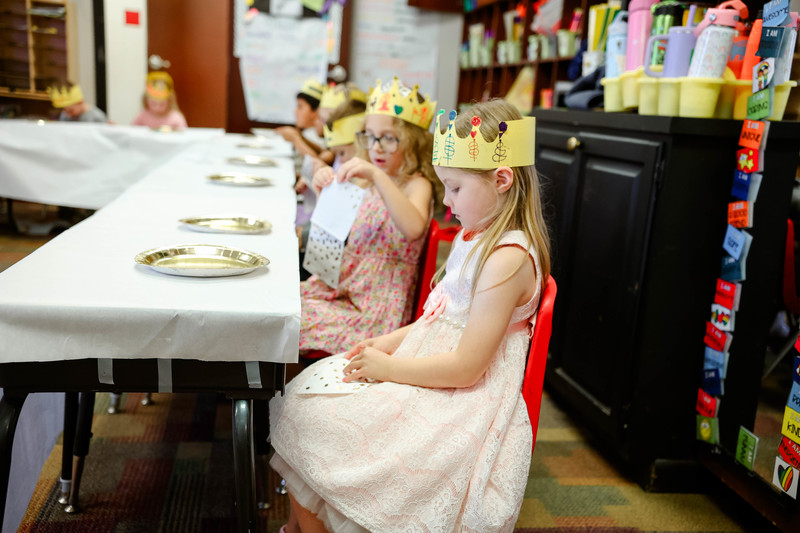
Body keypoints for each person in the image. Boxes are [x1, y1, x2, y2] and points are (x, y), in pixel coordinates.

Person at [270, 99, 551, 533]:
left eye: (455, 189)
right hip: (429, 363)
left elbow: (468, 367)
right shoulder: (476, 237)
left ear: (501, 179)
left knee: (315, 417)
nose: (448, 201)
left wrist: (390, 366)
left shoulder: (506, 259)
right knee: (308, 395)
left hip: (464, 397)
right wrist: (388, 342)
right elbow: (441, 318)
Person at [300, 77, 438, 356]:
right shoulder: (367, 182)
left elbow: (412, 228)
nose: (376, 147)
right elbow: (331, 228)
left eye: (388, 138)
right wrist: (324, 183)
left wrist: (377, 174)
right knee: (280, 304)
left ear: (413, 141)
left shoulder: (416, 184)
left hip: (376, 313)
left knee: (291, 321)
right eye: (371, 136)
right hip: (344, 290)